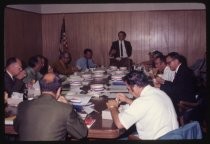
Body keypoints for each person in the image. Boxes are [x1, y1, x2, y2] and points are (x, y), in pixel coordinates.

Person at [14, 73, 88, 141]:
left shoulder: (22, 106)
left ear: (40, 89)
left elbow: (16, 128)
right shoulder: (65, 109)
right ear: (59, 91)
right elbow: (82, 134)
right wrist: (69, 105)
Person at [106, 70, 178, 140]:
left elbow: (119, 124)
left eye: (128, 89)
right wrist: (127, 100)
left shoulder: (142, 101)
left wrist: (113, 107)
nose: (129, 91)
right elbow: (146, 108)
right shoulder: (159, 92)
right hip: (172, 136)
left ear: (135, 86)